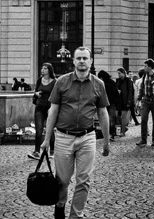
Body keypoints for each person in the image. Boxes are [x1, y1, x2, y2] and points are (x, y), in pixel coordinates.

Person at [41, 46, 111, 219]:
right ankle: (60, 204)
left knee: (84, 180)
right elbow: (53, 111)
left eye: (85, 58)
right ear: (73, 61)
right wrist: (46, 139)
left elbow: (103, 113)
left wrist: (107, 142)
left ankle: (75, 216)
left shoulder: (98, 84)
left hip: (87, 137)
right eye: (78, 58)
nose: (81, 61)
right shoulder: (62, 82)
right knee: (62, 181)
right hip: (64, 137)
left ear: (91, 61)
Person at [29, 63, 56, 160]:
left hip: (49, 109)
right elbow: (35, 92)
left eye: (45, 68)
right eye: (42, 68)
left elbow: (56, 96)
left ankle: (52, 151)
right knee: (39, 130)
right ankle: (36, 152)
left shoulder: (54, 82)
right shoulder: (39, 80)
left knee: (50, 130)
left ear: (49, 70)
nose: (43, 70)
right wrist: (36, 94)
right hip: (39, 108)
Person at [136, 59, 154, 147]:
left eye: (145, 66)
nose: (144, 68)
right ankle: (143, 140)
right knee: (143, 120)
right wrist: (138, 99)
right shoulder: (144, 76)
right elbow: (141, 88)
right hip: (145, 100)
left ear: (150, 67)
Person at [96, 69, 121, 141]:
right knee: (111, 119)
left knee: (108, 119)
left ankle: (109, 134)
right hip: (111, 103)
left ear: (102, 77)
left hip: (107, 104)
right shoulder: (111, 82)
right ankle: (111, 134)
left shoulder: (103, 84)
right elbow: (116, 94)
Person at [114, 68, 134, 135]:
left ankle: (122, 132)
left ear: (123, 73)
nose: (118, 75)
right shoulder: (117, 80)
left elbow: (130, 92)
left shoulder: (128, 81)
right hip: (118, 101)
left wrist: (129, 102)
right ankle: (124, 128)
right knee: (117, 116)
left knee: (123, 117)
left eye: (119, 73)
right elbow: (116, 89)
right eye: (118, 73)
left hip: (125, 101)